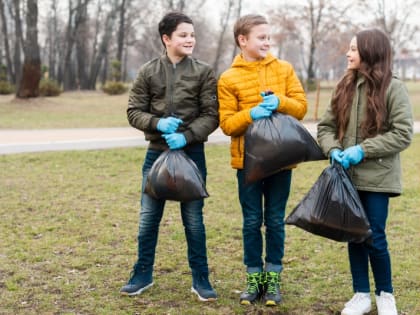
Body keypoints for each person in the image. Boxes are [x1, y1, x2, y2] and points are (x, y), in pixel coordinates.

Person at [120, 11, 219, 302]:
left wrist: (186, 137)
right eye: (183, 35)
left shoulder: (203, 72)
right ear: (166, 39)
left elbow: (212, 115)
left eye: (192, 34)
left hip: (192, 157)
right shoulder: (148, 72)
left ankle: (201, 278)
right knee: (148, 219)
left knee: (194, 221)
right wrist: (157, 123)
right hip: (156, 156)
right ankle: (142, 274)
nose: (190, 39)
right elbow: (133, 111)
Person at [317, 29, 413, 315]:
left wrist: (364, 150)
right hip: (346, 178)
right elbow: (325, 127)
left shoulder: (393, 88)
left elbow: (403, 133)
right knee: (354, 234)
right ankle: (360, 294)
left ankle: (386, 294)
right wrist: (333, 149)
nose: (348, 54)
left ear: (370, 53)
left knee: (374, 235)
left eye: (354, 49)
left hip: (378, 178)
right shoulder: (343, 86)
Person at [217, 14, 307, 306]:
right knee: (252, 221)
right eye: (261, 37)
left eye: (269, 37)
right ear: (243, 40)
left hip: (281, 160)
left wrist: (280, 101)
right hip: (248, 164)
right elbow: (228, 124)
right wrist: (251, 113)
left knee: (275, 220)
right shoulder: (229, 78)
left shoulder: (284, 69)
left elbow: (301, 108)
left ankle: (273, 279)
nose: (268, 42)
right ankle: (254, 277)